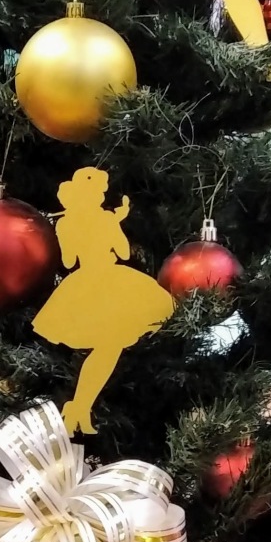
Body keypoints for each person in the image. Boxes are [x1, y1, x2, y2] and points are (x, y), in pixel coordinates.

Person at [32, 167, 175, 434]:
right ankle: (80, 407)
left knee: (107, 347)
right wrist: (113, 223)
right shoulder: (106, 219)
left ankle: (79, 407)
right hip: (110, 281)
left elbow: (68, 261)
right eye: (100, 192)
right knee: (109, 346)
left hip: (84, 282)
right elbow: (123, 252)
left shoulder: (66, 223)